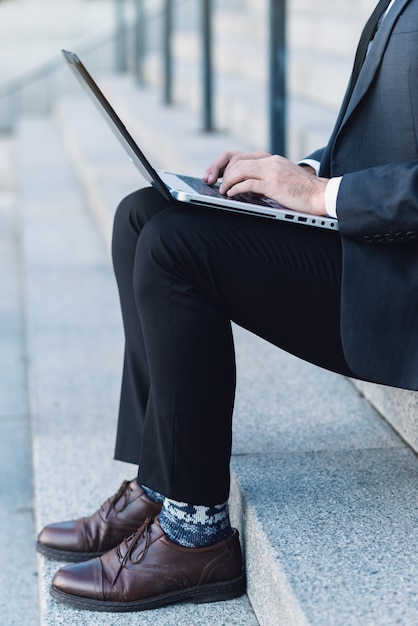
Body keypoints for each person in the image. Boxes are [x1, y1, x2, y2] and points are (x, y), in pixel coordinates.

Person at [37, 0, 418, 613]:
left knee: (175, 248)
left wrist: (321, 195)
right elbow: (387, 131)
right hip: (376, 242)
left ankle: (194, 535)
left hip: (398, 281)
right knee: (145, 214)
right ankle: (161, 483)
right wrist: (294, 174)